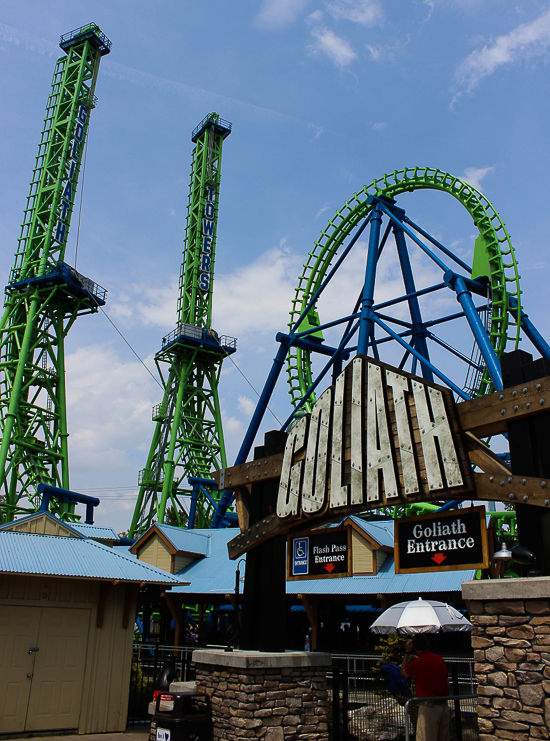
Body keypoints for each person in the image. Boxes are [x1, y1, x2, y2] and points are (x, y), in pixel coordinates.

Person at [401, 634, 450, 741]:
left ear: (414, 646)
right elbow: (447, 682)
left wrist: (407, 652)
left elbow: (404, 672)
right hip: (443, 706)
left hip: (428, 707)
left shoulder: (418, 662)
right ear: (427, 644)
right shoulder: (439, 659)